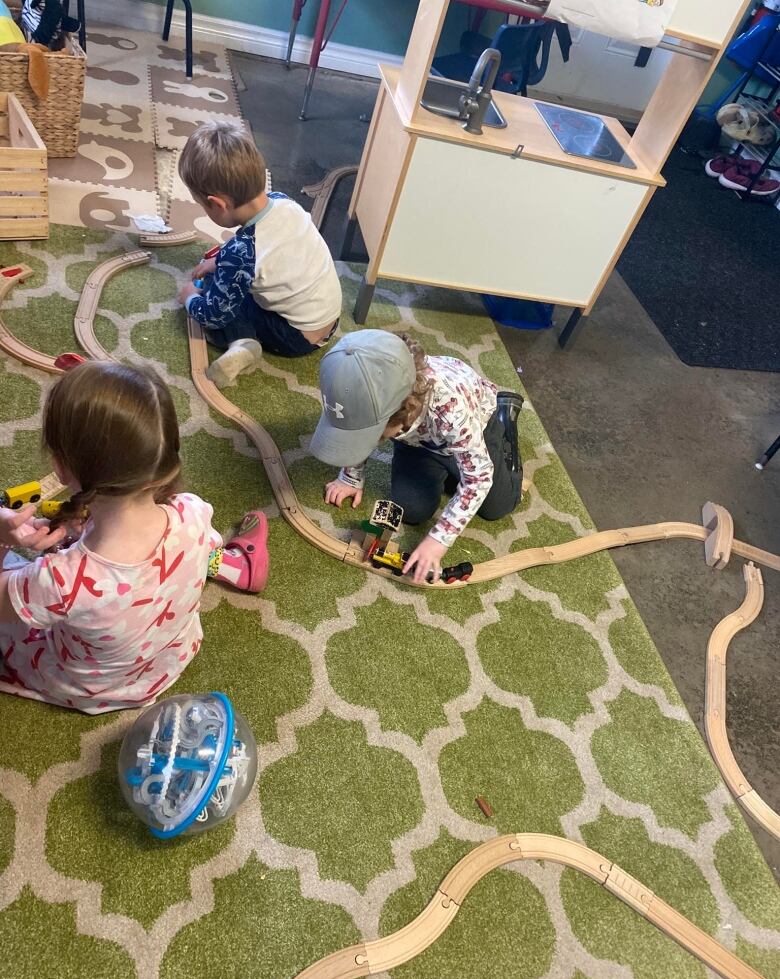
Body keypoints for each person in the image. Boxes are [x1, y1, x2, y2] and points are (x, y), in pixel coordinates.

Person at [0, 362, 266, 715]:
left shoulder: (60, 581)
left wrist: (4, 536)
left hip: (92, 686)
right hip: (164, 660)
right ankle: (230, 566)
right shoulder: (192, 511)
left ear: (61, 467)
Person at [309, 330, 523, 583]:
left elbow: (479, 478)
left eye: (374, 433)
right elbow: (357, 432)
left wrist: (437, 540)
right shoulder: (369, 384)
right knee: (410, 510)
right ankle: (451, 467)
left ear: (403, 414)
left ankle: (505, 415)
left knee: (497, 506)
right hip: (421, 442)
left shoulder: (451, 412)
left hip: (477, 425)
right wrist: (350, 477)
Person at [177, 122, 342, 388]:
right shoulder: (284, 202)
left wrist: (190, 298)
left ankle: (243, 343)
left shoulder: (240, 253)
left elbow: (213, 314)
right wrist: (218, 261)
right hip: (328, 322)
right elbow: (271, 252)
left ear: (218, 204)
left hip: (293, 337)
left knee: (219, 299)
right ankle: (245, 339)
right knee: (231, 277)